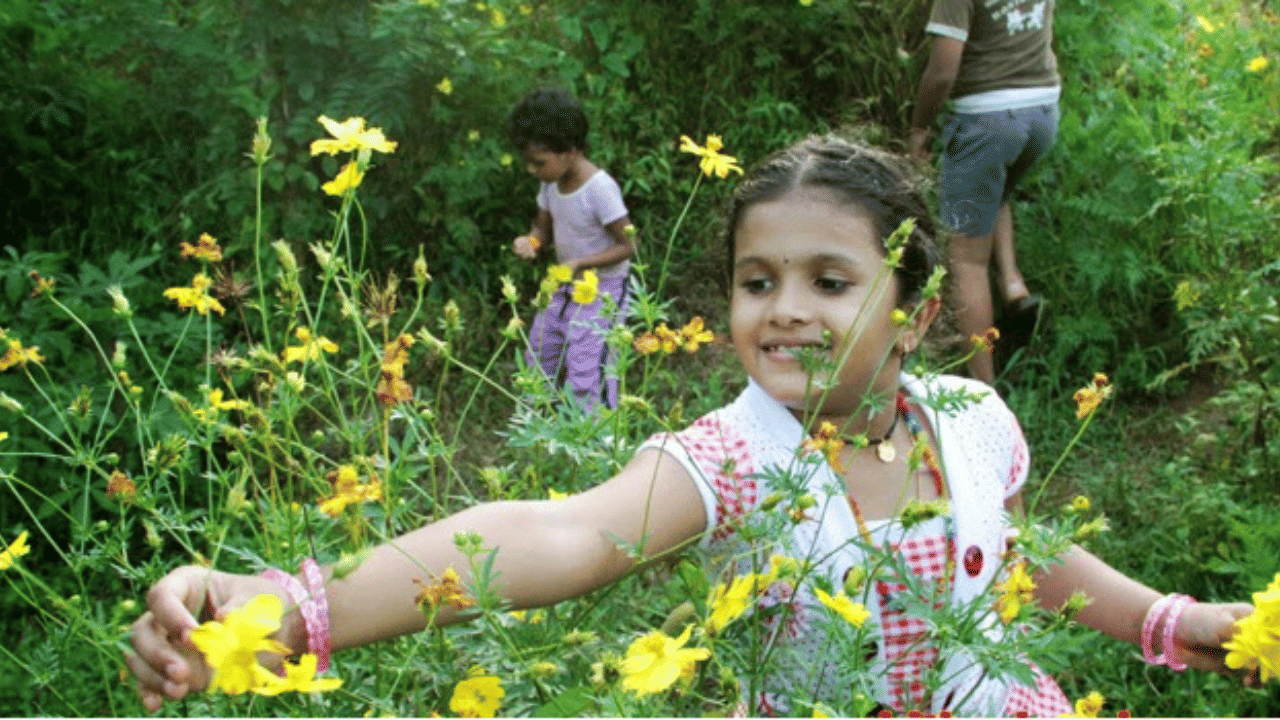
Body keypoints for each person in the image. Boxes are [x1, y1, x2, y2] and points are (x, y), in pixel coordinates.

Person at [125, 136, 1252, 716]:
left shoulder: (971, 416)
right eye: (756, 281)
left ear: (906, 318)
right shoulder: (727, 459)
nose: (786, 310)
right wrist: (287, 609)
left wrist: (1170, 620)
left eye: (828, 279)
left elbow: (1019, 562)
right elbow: (554, 533)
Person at [908, 0, 1060, 383]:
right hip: (1042, 110)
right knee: (994, 191)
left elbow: (943, 70)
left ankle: (984, 390)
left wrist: (919, 128)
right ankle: (1012, 285)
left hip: (987, 118)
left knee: (965, 260)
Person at [506, 87, 635, 411]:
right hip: (564, 285)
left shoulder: (600, 189)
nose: (532, 170)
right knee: (539, 353)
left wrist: (583, 262)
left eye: (539, 162)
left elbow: (628, 245)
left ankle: (599, 441)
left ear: (570, 150)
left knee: (588, 366)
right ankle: (537, 434)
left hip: (603, 292)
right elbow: (543, 231)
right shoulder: (550, 184)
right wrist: (531, 243)